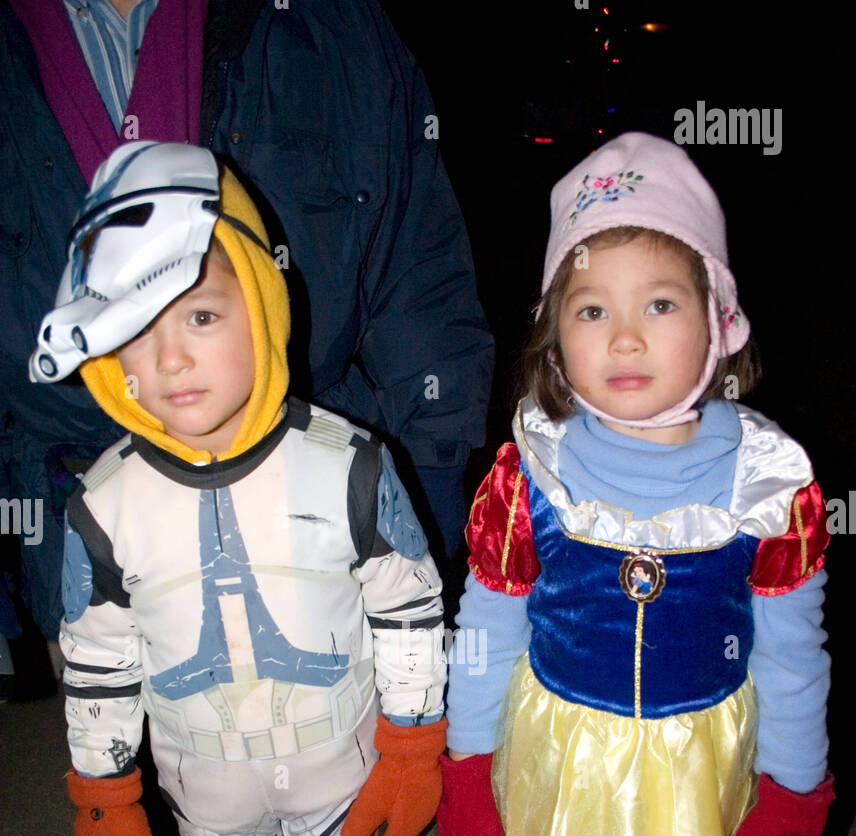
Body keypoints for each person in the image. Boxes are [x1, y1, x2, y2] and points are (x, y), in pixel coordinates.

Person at [419, 132, 834, 836]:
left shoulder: (766, 483)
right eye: (589, 308)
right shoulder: (530, 473)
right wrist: (465, 763)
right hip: (562, 747)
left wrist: (795, 777)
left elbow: (791, 646)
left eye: (660, 302)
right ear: (553, 338)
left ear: (718, 324)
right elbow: (485, 626)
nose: (627, 337)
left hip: (695, 754)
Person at [34, 140, 451, 836]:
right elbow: (95, 660)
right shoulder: (103, 508)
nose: (171, 356)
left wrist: (413, 740)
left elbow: (408, 605)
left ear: (262, 305)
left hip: (339, 764)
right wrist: (107, 794)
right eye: (137, 330)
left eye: (203, 314)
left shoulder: (348, 464)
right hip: (204, 780)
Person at [0, 0, 493, 644]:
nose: (170, 358)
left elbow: (418, 262)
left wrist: (429, 479)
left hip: (314, 515)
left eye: (199, 315)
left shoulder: (329, 24)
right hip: (77, 506)